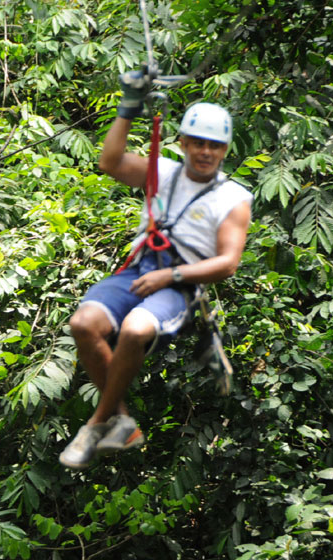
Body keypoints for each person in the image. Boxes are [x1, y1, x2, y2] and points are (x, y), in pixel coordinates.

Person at [59, 72, 253, 470]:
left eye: (214, 145)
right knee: (83, 323)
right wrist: (128, 107)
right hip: (140, 267)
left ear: (225, 150)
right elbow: (109, 161)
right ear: (182, 143)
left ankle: (99, 422)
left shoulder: (234, 198)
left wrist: (172, 277)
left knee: (134, 329)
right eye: (197, 142)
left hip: (180, 283)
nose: (205, 152)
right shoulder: (162, 171)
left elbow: (228, 262)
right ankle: (122, 421)